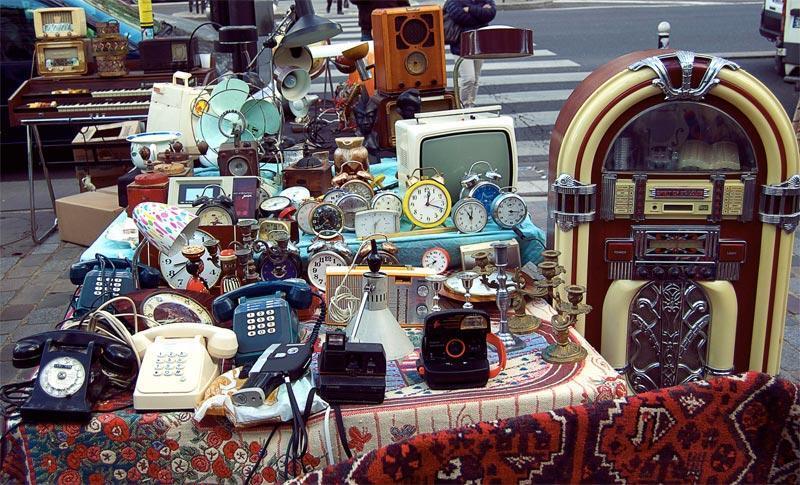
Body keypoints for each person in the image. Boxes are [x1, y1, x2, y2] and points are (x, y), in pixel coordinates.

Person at [444, 0, 496, 107]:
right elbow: (459, 16)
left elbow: (491, 14)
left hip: (479, 43)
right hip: (461, 45)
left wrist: (470, 9)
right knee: (469, 78)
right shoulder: (452, 1)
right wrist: (480, 13)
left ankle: (471, 105)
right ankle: (462, 107)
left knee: (475, 79)